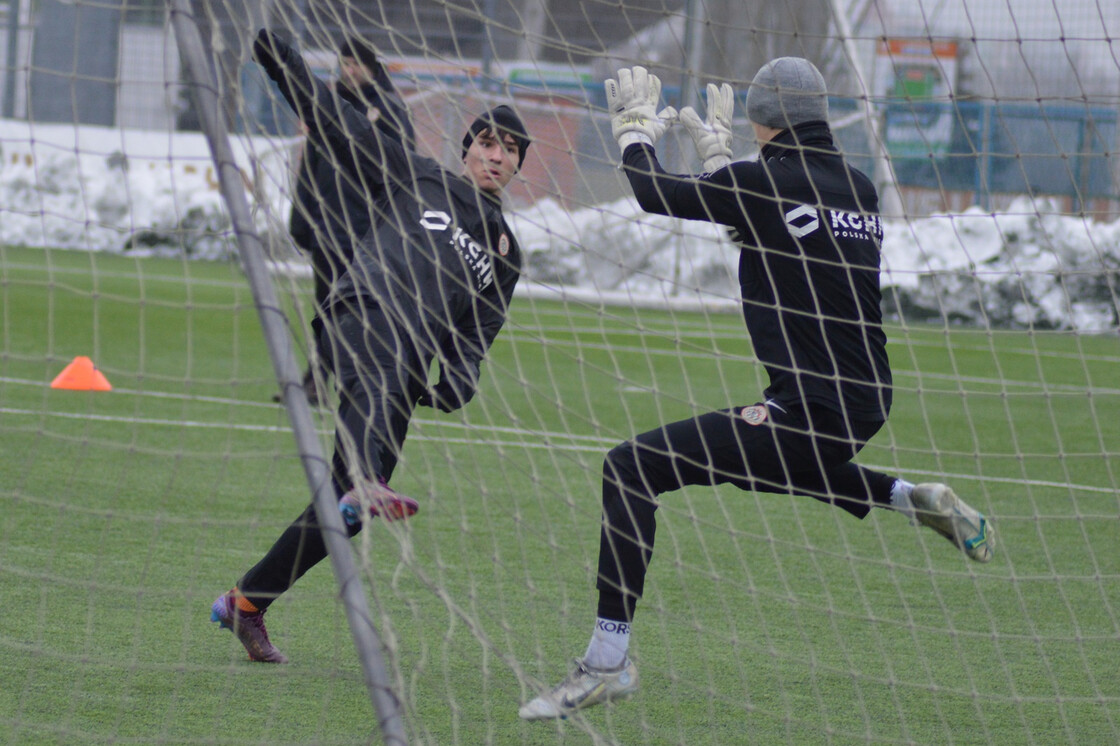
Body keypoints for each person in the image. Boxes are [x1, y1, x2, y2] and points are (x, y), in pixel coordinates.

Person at [519, 59, 996, 720]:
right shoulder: (858, 187)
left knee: (631, 468)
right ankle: (905, 497)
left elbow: (660, 194)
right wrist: (726, 163)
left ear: (762, 119)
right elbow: (773, 228)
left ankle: (606, 662)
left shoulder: (761, 183)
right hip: (865, 400)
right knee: (763, 463)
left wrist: (632, 134)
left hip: (810, 406)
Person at [212, 29, 531, 664]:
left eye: (511, 150)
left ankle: (246, 603)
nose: (496, 156)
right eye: (487, 142)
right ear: (468, 149)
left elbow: (477, 333)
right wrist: (286, 64)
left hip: (402, 369)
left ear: (520, 164)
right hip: (361, 316)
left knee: (345, 512)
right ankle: (365, 478)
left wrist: (459, 378)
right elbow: (335, 122)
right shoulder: (417, 175)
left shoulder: (507, 254)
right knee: (363, 481)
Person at [282, 34, 415, 406]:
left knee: (359, 310)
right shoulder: (330, 106)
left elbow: (404, 170)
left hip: (369, 232)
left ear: (372, 68)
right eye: (344, 62)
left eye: (356, 63)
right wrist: (301, 218)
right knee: (325, 306)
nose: (349, 69)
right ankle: (317, 381)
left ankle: (350, 382)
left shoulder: (390, 111)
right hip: (329, 227)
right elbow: (310, 165)